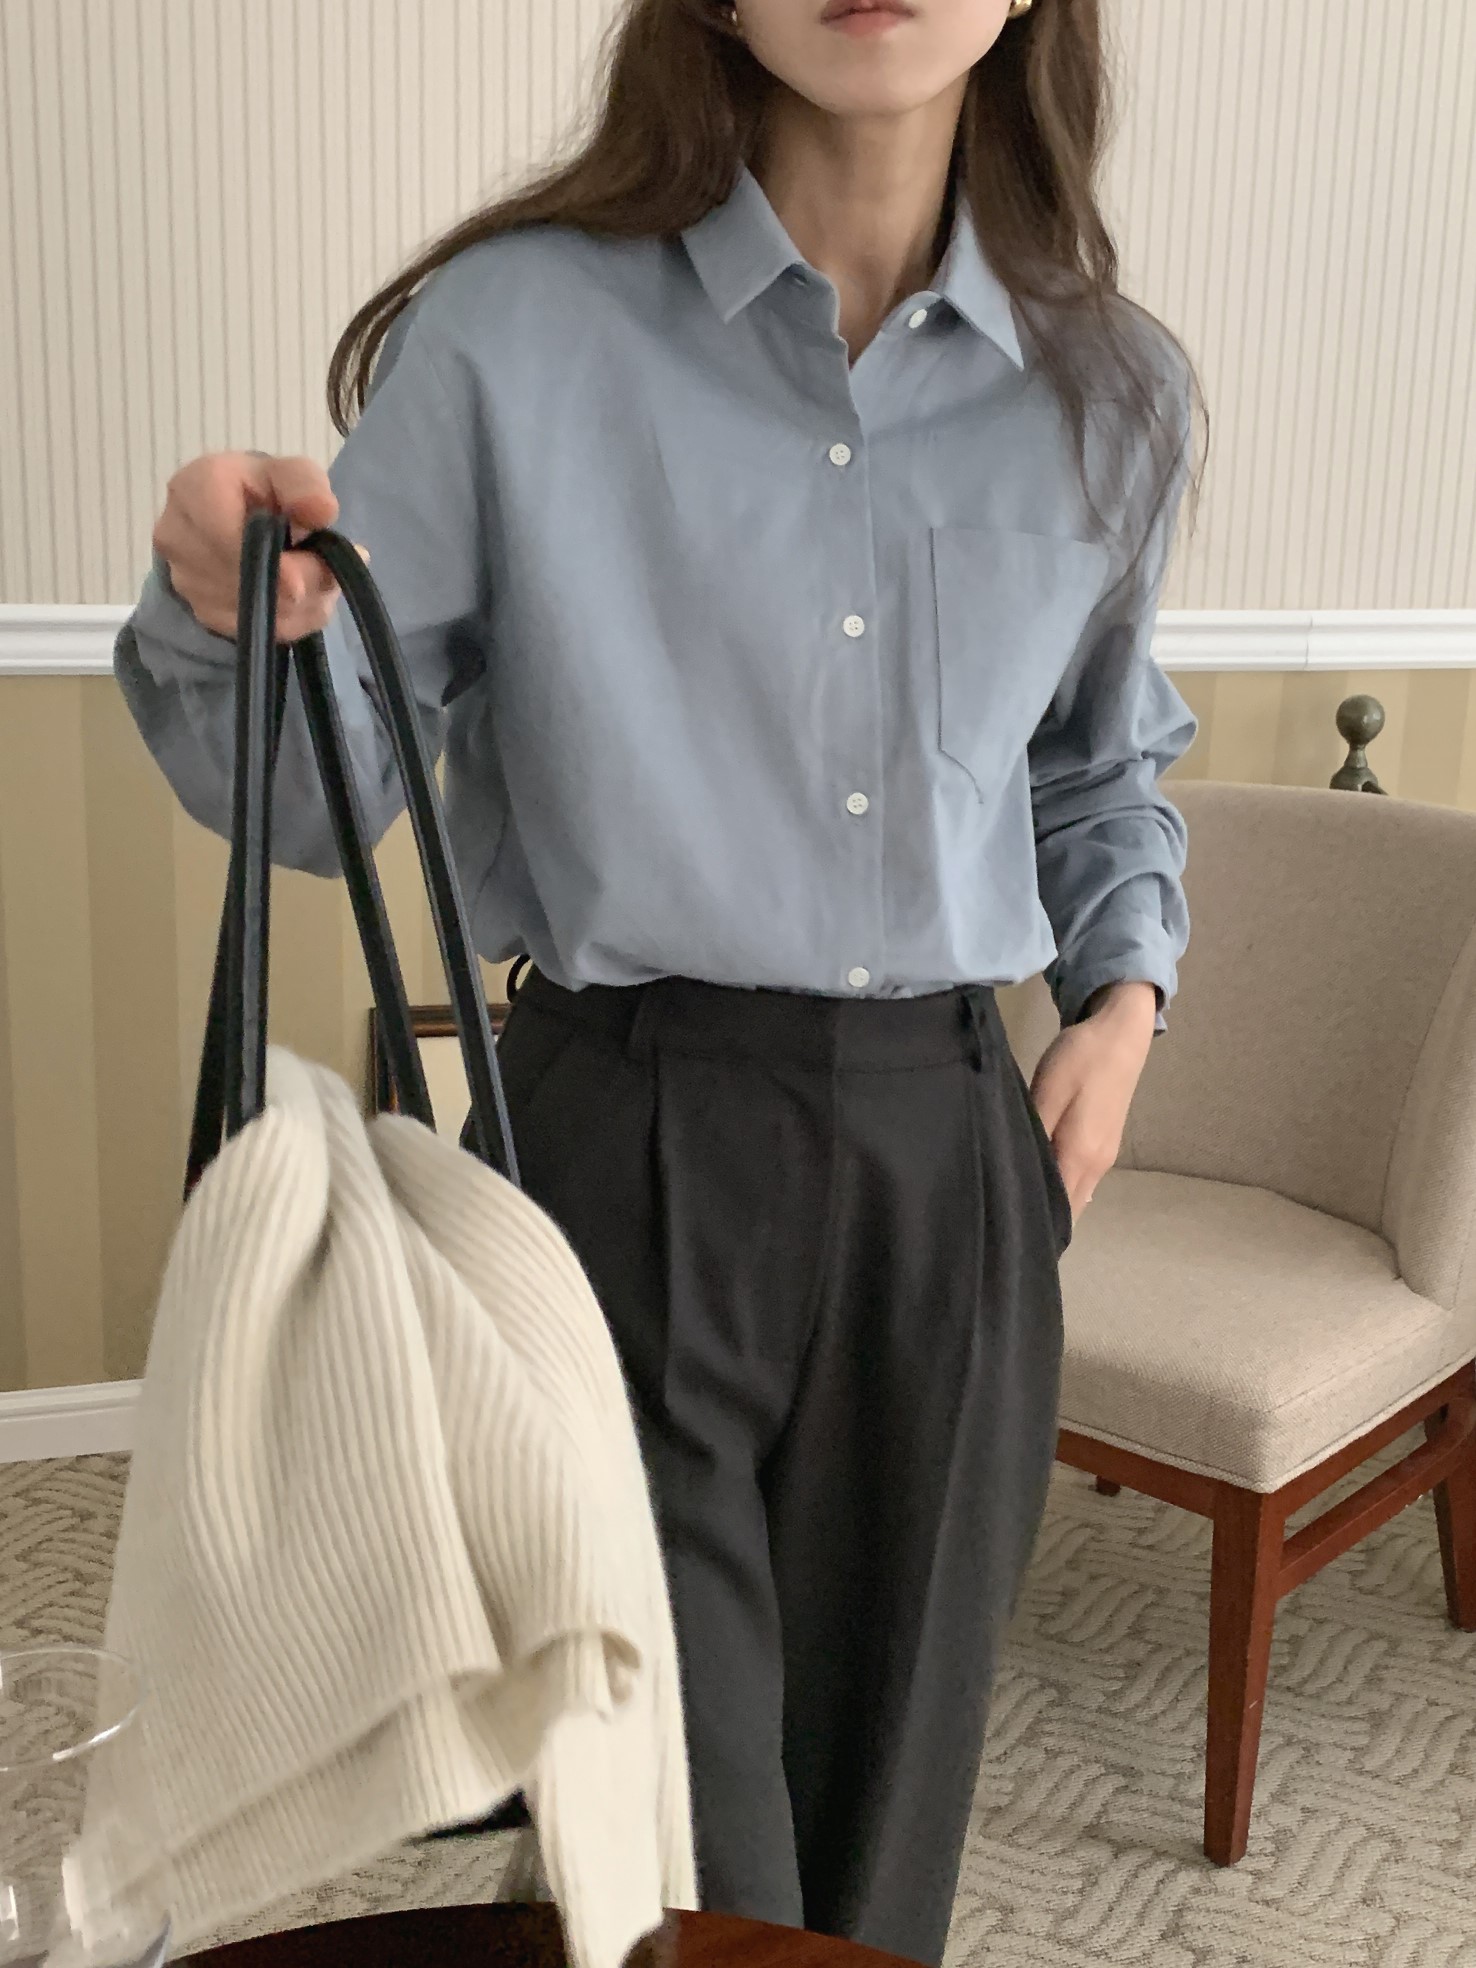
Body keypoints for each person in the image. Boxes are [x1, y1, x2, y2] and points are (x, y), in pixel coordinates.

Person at [117, 0, 1201, 1959]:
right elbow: (326, 782)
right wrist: (226, 613)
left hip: (951, 1178)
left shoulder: (1108, 387)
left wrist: (1120, 1013)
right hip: (614, 1146)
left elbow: (1095, 764)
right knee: (672, 1862)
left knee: (876, 1860)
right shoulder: (517, 330)